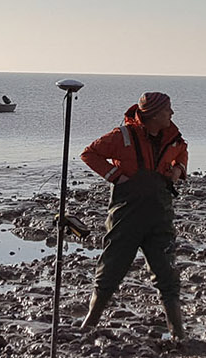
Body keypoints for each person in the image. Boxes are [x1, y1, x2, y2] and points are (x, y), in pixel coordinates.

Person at [78, 91, 189, 341]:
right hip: (126, 216)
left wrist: (179, 170)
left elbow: (182, 151)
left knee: (167, 276)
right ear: (153, 115)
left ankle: (179, 336)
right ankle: (87, 327)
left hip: (160, 214)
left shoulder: (172, 136)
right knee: (109, 273)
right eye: (167, 110)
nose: (172, 114)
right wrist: (116, 176)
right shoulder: (122, 136)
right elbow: (89, 154)